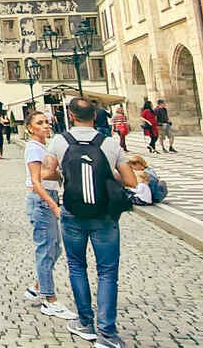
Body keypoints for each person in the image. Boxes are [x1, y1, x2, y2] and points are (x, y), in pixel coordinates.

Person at [43, 96, 137, 348]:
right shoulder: (109, 143)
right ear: (95, 117)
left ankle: (85, 322)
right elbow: (131, 181)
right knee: (107, 272)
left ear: (70, 116)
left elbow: (45, 173)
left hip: (72, 212)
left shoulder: (59, 141)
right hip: (104, 214)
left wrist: (63, 172)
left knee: (76, 266)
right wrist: (109, 172)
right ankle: (107, 333)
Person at [23, 112, 78, 320]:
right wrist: (54, 205)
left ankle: (37, 287)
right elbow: (37, 180)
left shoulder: (42, 147)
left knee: (54, 248)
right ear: (30, 128)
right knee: (46, 249)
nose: (46, 125)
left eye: (46, 122)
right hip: (41, 200)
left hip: (46, 197)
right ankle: (49, 299)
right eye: (40, 123)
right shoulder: (33, 148)